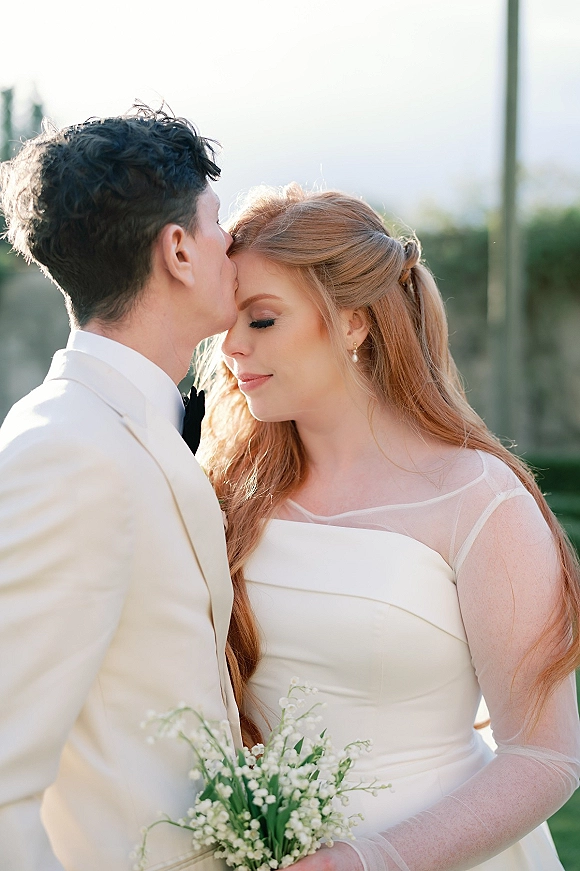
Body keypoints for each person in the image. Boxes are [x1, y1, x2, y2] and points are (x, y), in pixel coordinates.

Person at [199, 184, 580, 870]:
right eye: (229, 320)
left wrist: (367, 860)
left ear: (353, 323)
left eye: (261, 320)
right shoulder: (227, 492)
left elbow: (546, 754)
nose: (229, 346)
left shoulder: (477, 497)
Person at [0, 106, 241, 871]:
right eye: (216, 221)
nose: (231, 240)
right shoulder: (66, 451)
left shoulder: (123, 425)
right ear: (177, 249)